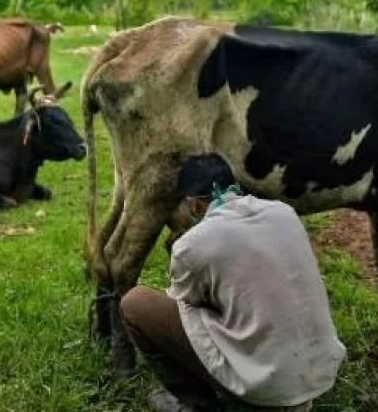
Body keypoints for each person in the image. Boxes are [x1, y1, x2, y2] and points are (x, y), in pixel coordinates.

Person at [119, 153, 346, 412]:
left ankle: (196, 404)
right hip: (320, 374)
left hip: (265, 391)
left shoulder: (192, 244)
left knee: (135, 303)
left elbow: (184, 302)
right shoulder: (285, 213)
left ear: (192, 205)